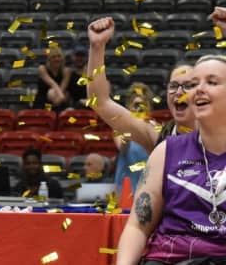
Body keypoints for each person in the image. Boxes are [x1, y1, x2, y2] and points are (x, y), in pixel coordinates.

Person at [115, 52, 226, 264]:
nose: (199, 89)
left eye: (212, 82)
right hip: (171, 259)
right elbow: (137, 227)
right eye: (194, 84)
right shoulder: (166, 151)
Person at [85, 16, 195, 152]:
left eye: (188, 86)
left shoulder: (219, 135)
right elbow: (100, 102)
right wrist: (97, 46)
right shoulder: (157, 135)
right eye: (173, 86)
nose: (179, 92)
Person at [113, 87, 153, 192]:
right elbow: (122, 148)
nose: (139, 108)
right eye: (136, 105)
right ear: (130, 107)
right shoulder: (119, 128)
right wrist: (129, 129)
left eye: (142, 105)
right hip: (126, 181)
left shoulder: (154, 128)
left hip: (148, 180)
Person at [34, 46, 73, 110]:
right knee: (51, 92)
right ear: (49, 59)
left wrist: (59, 99)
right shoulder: (42, 69)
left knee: (69, 112)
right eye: (53, 57)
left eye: (59, 56)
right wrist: (61, 96)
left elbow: (62, 88)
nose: (56, 59)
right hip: (43, 101)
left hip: (59, 100)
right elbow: (53, 84)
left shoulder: (67, 71)